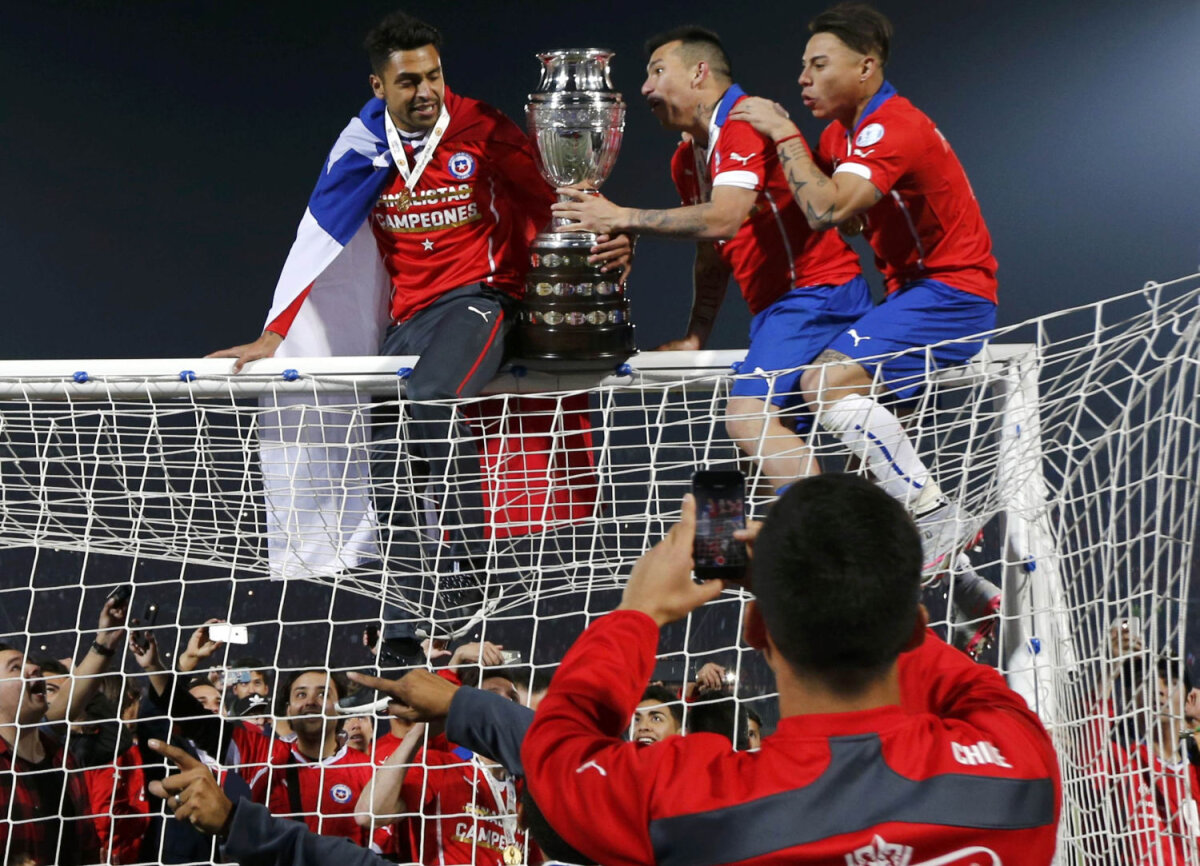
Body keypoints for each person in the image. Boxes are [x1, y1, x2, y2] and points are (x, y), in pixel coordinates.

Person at [209, 10, 630, 658]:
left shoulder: (482, 128)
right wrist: (274, 335)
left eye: (433, 75)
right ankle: (406, 622)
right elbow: (316, 239)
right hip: (408, 321)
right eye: (409, 82)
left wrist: (601, 246)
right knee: (387, 467)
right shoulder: (361, 146)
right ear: (379, 87)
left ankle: (467, 576)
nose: (426, 91)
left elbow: (554, 198)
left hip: (482, 300)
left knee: (433, 399)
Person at [521, 474, 1060, 865]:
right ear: (915, 628)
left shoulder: (700, 807)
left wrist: (638, 613)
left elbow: (557, 751)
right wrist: (834, 583)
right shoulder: (1020, 765)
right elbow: (965, 685)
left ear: (757, 634)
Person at [727, 3, 999, 574]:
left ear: (865, 68)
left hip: (953, 294)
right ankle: (976, 594)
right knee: (842, 451)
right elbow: (831, 202)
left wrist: (781, 134)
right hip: (904, 298)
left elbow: (824, 207)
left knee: (802, 391)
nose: (802, 77)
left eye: (819, 64)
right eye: (802, 65)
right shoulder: (837, 134)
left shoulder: (891, 124)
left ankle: (931, 512)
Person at [554, 27, 868, 494]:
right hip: (779, 312)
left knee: (745, 422)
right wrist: (697, 333)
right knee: (760, 476)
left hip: (818, 295)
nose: (646, 88)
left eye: (658, 72)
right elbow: (713, 250)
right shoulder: (687, 159)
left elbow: (723, 219)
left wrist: (622, 217)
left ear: (700, 73)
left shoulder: (743, 122)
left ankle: (837, 542)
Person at [0, 594, 127, 865]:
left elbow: (86, 847)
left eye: (28, 662)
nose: (34, 668)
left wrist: (105, 641)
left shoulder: (62, 758)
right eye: (15, 668)